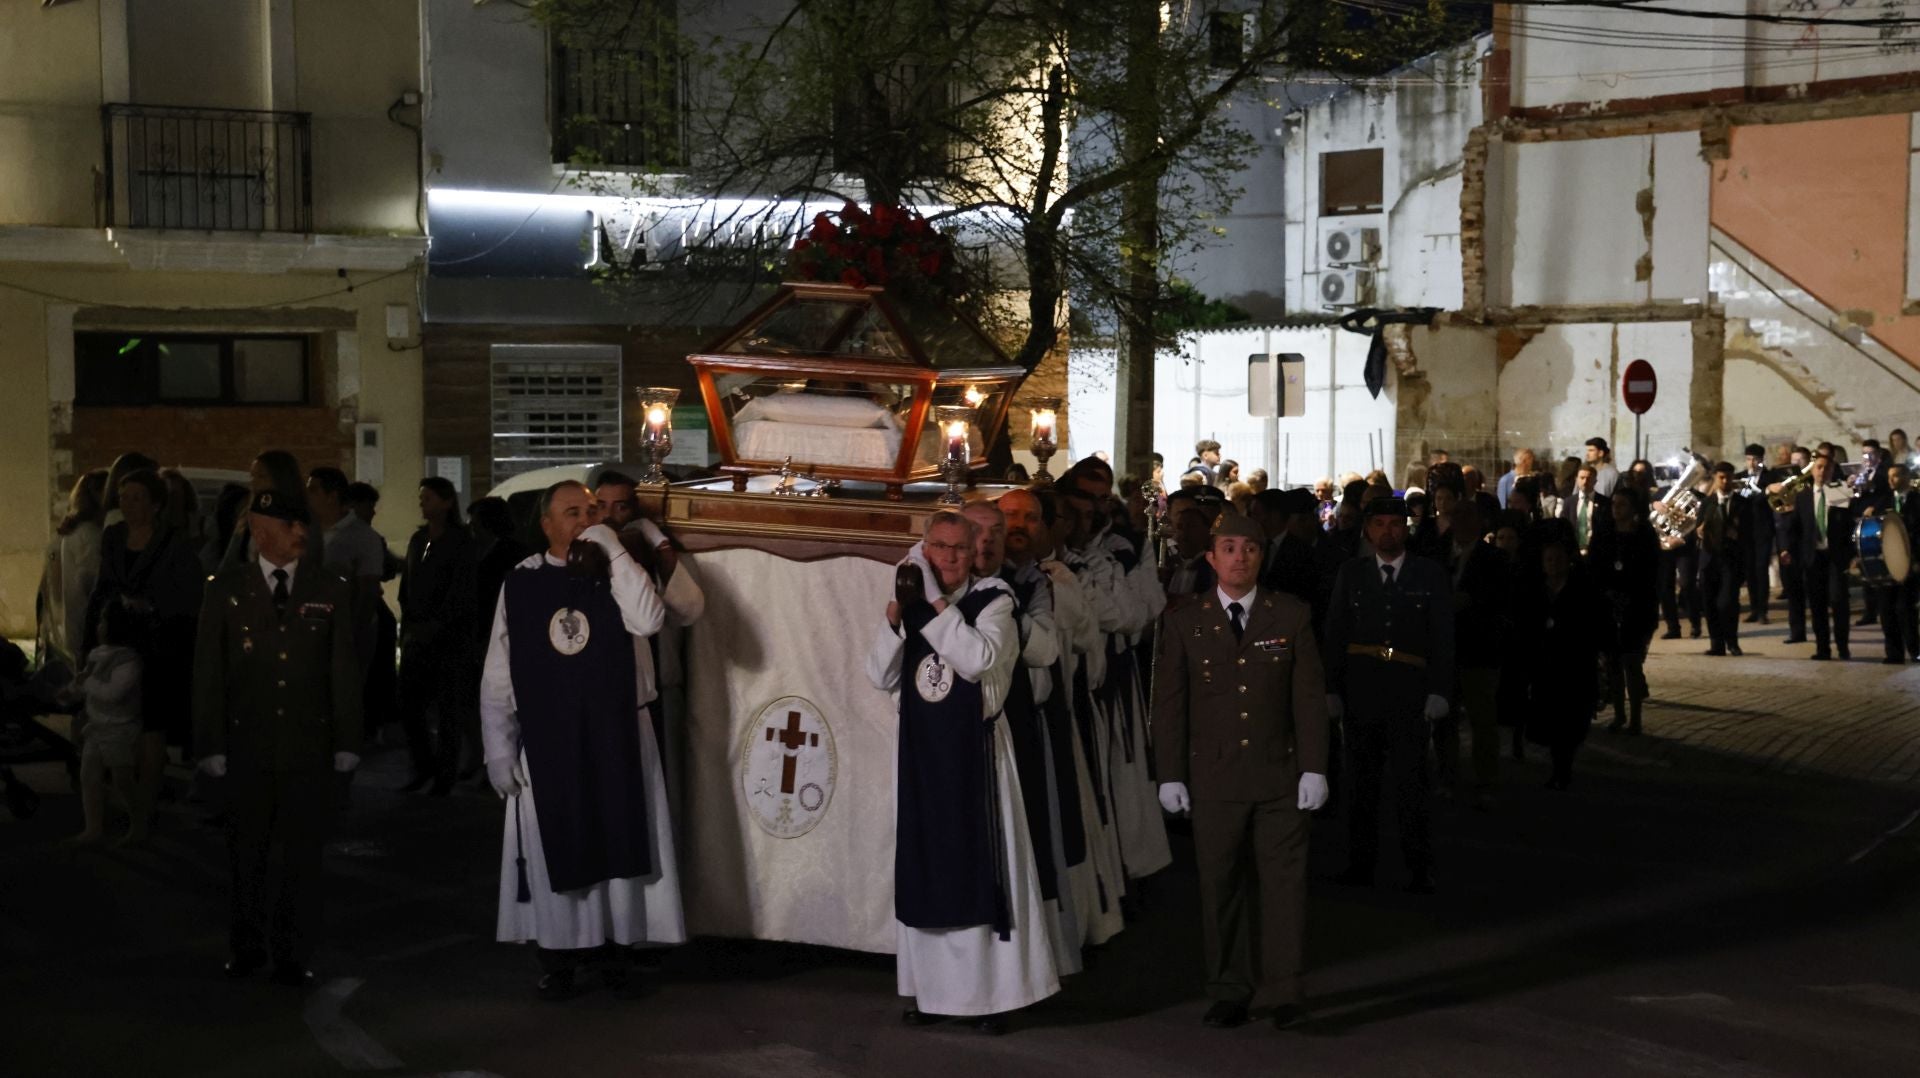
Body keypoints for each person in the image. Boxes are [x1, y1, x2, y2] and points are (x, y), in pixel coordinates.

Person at [480, 481, 682, 1001]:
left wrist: (612, 549)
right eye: (573, 512)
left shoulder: (617, 570)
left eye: (592, 510)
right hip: (551, 737)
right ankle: (560, 956)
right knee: (557, 848)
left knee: (617, 836)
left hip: (616, 731)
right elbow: (499, 672)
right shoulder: (521, 582)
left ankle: (617, 953)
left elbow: (650, 618)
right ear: (546, 525)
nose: (586, 519)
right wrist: (498, 747)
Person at [867, 509, 1060, 1033]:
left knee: (987, 869)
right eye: (939, 547)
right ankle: (933, 992)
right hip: (924, 756)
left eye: (959, 548)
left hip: (978, 757)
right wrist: (894, 617)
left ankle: (997, 997)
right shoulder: (912, 607)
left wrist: (931, 606)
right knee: (928, 865)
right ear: (924, 549)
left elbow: (976, 660)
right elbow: (876, 672)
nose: (949, 557)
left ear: (972, 550)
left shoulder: (994, 600)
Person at [1153, 510, 1327, 1031]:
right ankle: (1229, 987)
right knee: (1220, 886)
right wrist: (1170, 774)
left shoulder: (1290, 615)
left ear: (1261, 556)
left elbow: (1309, 699)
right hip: (1214, 779)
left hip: (1279, 775)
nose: (1239, 558)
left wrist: (1315, 767)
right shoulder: (1186, 620)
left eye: (1249, 549)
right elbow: (1170, 704)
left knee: (1284, 887)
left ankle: (1284, 989)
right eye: (1228, 548)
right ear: (1211, 558)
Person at [193, 489, 362, 987]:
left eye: (300, 524)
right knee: (247, 856)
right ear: (261, 530)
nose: (300, 533)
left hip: (308, 747)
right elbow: (209, 673)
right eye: (288, 525)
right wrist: (210, 743)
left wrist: (347, 738)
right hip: (249, 744)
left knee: (302, 859)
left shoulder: (328, 587)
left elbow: (343, 670)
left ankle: (293, 953)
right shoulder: (225, 589)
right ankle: (246, 948)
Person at [965, 499, 1082, 977]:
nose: (995, 537)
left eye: (1007, 527)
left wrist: (1002, 611)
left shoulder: (1032, 582)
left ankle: (1023, 963)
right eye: (984, 529)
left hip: (1011, 722)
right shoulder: (942, 584)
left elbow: (1046, 647)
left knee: (1018, 842)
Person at [1010, 486, 1127, 949]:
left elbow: (1086, 646)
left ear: (1046, 528)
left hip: (1049, 716)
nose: (1019, 526)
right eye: (1009, 518)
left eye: (1029, 518)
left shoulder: (1056, 580)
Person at [1323, 497, 1454, 894]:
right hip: (1363, 690)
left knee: (1411, 784)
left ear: (1406, 528)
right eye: (1378, 524)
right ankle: (1360, 864)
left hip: (1408, 693)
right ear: (1367, 530)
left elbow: (1443, 637)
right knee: (1361, 785)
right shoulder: (1353, 573)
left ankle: (1419, 866)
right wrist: (1331, 688)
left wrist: (1439, 690)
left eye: (1394, 524)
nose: (1387, 532)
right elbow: (1335, 633)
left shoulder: (1428, 574)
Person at [84, 468, 205, 842]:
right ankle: (105, 817)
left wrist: (150, 606)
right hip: (118, 640)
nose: (129, 504)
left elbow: (188, 596)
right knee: (109, 728)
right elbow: (102, 585)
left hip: (157, 645)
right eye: (124, 497)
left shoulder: (174, 542)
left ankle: (142, 816)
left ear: (155, 504)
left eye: (137, 497)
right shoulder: (114, 537)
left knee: (151, 728)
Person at [1517, 522, 1611, 790]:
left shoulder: (1582, 590)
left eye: (1558, 559)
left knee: (1569, 721)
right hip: (1546, 665)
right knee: (1551, 719)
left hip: (1574, 665)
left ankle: (1563, 768)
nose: (1554, 564)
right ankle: (1558, 767)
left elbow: (1595, 626)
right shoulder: (1537, 591)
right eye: (1549, 559)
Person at [399, 477, 478, 794]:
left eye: (428, 498)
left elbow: (460, 590)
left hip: (448, 639)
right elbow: (408, 584)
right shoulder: (419, 540)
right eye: (421, 498)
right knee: (410, 705)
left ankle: (444, 774)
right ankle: (422, 766)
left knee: (448, 710)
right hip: (417, 634)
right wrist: (410, 625)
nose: (423, 503)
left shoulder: (459, 541)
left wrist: (438, 623)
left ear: (446, 502)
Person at [1440, 498, 1508, 805]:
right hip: (1444, 649)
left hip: (1478, 650)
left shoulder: (1493, 558)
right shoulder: (1438, 553)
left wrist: (1471, 602)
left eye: (1466, 517)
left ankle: (1486, 780)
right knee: (1443, 718)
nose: (1459, 523)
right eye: (1455, 516)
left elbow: (1500, 602)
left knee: (1482, 720)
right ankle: (1446, 777)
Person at [61, 600, 145, 845]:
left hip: (120, 728)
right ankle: (93, 828)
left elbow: (112, 693)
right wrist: (71, 690)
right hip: (97, 727)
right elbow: (87, 683)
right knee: (89, 776)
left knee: (123, 780)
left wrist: (85, 684)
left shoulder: (128, 661)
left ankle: (139, 824)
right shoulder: (98, 654)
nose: (98, 626)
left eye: (103, 621)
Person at [1591, 488, 1660, 733]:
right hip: (1609, 605)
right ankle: (1619, 714)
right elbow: (1595, 566)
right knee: (1613, 664)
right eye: (1614, 504)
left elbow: (1651, 572)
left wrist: (1636, 596)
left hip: (1636, 606)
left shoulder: (1644, 535)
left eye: (1622, 505)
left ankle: (1636, 719)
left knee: (1631, 662)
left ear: (1632, 508)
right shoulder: (1605, 534)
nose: (1616, 509)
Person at [307, 467, 386, 679]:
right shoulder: (307, 532)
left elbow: (367, 591)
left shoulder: (362, 537)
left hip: (345, 633)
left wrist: (350, 636)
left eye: (313, 490)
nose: (307, 496)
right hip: (311, 632)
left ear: (332, 497)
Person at [37, 469, 108, 677]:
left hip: (61, 638)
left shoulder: (66, 535)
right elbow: (86, 588)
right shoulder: (90, 537)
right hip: (80, 637)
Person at [1790, 453, 1856, 661]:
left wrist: (1852, 555)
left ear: (1831, 470)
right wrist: (1789, 551)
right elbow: (1796, 528)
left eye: (1826, 468)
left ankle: (1843, 646)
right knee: (1817, 605)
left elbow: (1849, 526)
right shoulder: (1802, 497)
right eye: (1818, 467)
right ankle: (1822, 648)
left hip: (1835, 556)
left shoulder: (1841, 493)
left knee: (1838, 601)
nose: (1821, 471)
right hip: (1813, 557)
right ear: (1812, 470)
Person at [1864, 464, 1919, 663]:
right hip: (1886, 564)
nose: (1891, 480)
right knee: (1886, 610)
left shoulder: (1916, 500)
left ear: (1905, 477)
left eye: (1895, 476)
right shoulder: (1883, 502)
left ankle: (1915, 650)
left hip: (1910, 563)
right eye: (1889, 476)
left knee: (1906, 609)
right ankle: (1893, 653)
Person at [1696, 463, 1746, 657]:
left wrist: (1738, 534)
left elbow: (1750, 532)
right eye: (1721, 478)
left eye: (1728, 478)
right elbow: (1698, 529)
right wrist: (1699, 533)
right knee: (1709, 603)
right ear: (1715, 479)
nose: (1725, 482)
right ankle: (1716, 644)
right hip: (1709, 560)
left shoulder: (1742, 503)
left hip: (1731, 560)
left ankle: (1732, 642)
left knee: (1727, 603)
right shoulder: (1707, 503)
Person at [1772, 446, 1814, 644]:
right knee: (1794, 591)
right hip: (1788, 541)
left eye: (1801, 461)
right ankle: (1797, 631)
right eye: (1794, 461)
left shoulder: (1811, 486)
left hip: (1808, 543)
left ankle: (1819, 630)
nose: (1797, 465)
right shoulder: (1786, 483)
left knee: (1813, 591)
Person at [1737, 444, 1778, 624]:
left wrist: (1763, 493)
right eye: (1748, 459)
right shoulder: (1740, 478)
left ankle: (1763, 610)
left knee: (1761, 570)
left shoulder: (1771, 477)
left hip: (1763, 529)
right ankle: (1754, 609)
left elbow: (1770, 499)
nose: (1751, 463)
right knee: (1750, 571)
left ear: (1762, 460)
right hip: (1745, 531)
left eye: (1755, 459)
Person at [1560, 465, 1608, 557]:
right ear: (1576, 479)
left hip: (1597, 553)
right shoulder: (1568, 502)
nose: (1585, 481)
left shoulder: (1604, 503)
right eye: (1582, 478)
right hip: (1574, 552)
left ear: (1595, 481)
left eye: (1589, 478)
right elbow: (1564, 526)